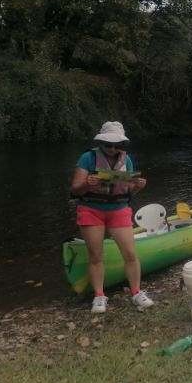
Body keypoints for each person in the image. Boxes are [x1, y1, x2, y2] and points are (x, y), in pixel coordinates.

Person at [70, 121, 154, 313]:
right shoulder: (87, 158)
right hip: (91, 209)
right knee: (95, 255)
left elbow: (129, 190)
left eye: (117, 145)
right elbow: (75, 188)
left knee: (131, 254)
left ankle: (136, 292)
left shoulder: (127, 160)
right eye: (108, 145)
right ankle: (99, 296)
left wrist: (138, 187)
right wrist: (87, 184)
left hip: (118, 209)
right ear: (101, 143)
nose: (112, 148)